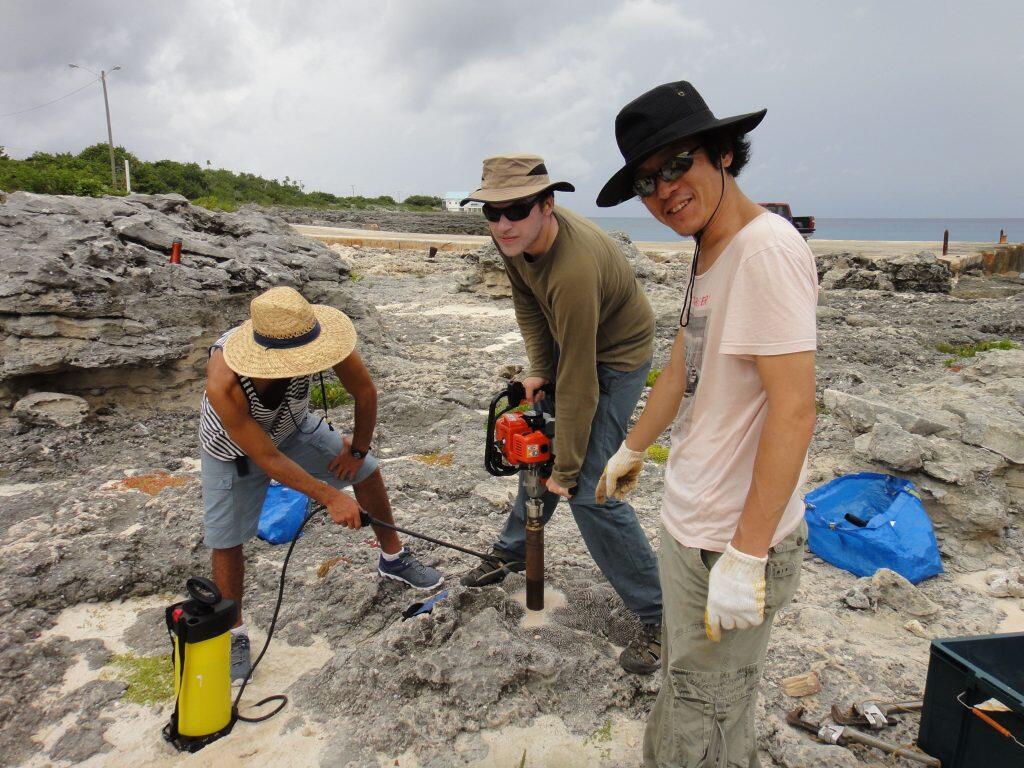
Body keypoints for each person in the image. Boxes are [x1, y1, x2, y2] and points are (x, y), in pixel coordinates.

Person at [595, 81, 817, 765]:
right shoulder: (711, 248)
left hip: (731, 538)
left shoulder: (765, 252)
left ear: (722, 153)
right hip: (693, 522)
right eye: (646, 180)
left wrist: (747, 556)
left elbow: (796, 407)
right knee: (690, 688)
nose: (663, 190)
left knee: (712, 712)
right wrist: (632, 447)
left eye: (676, 165)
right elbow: (682, 365)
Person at [458, 154, 663, 674]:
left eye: (517, 210)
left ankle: (664, 616)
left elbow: (582, 382)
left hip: (615, 355)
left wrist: (568, 472)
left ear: (547, 205)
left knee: (591, 490)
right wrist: (538, 369)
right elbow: (528, 303)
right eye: (492, 213)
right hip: (571, 345)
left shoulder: (573, 269)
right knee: (538, 449)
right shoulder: (512, 241)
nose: (503, 224)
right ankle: (511, 551)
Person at [200, 286, 442, 683]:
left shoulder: (317, 335)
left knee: (368, 473)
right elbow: (267, 459)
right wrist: (330, 496)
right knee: (226, 537)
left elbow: (364, 390)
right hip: (233, 450)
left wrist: (358, 452)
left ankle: (394, 559)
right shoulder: (224, 381)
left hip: (293, 426)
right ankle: (232, 632)